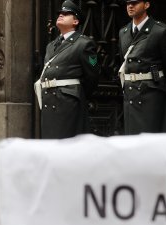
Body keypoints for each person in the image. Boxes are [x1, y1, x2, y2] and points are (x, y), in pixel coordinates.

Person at [35, 0, 100, 139]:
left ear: (75, 21)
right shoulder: (51, 46)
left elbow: (93, 75)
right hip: (49, 102)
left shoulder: (84, 44)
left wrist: (76, 95)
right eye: (60, 13)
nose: (61, 15)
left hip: (68, 105)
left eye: (66, 13)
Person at [118, 0, 166, 134]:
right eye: (128, 3)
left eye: (135, 2)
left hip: (151, 97)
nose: (130, 6)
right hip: (131, 96)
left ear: (147, 5)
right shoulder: (123, 32)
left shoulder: (160, 31)